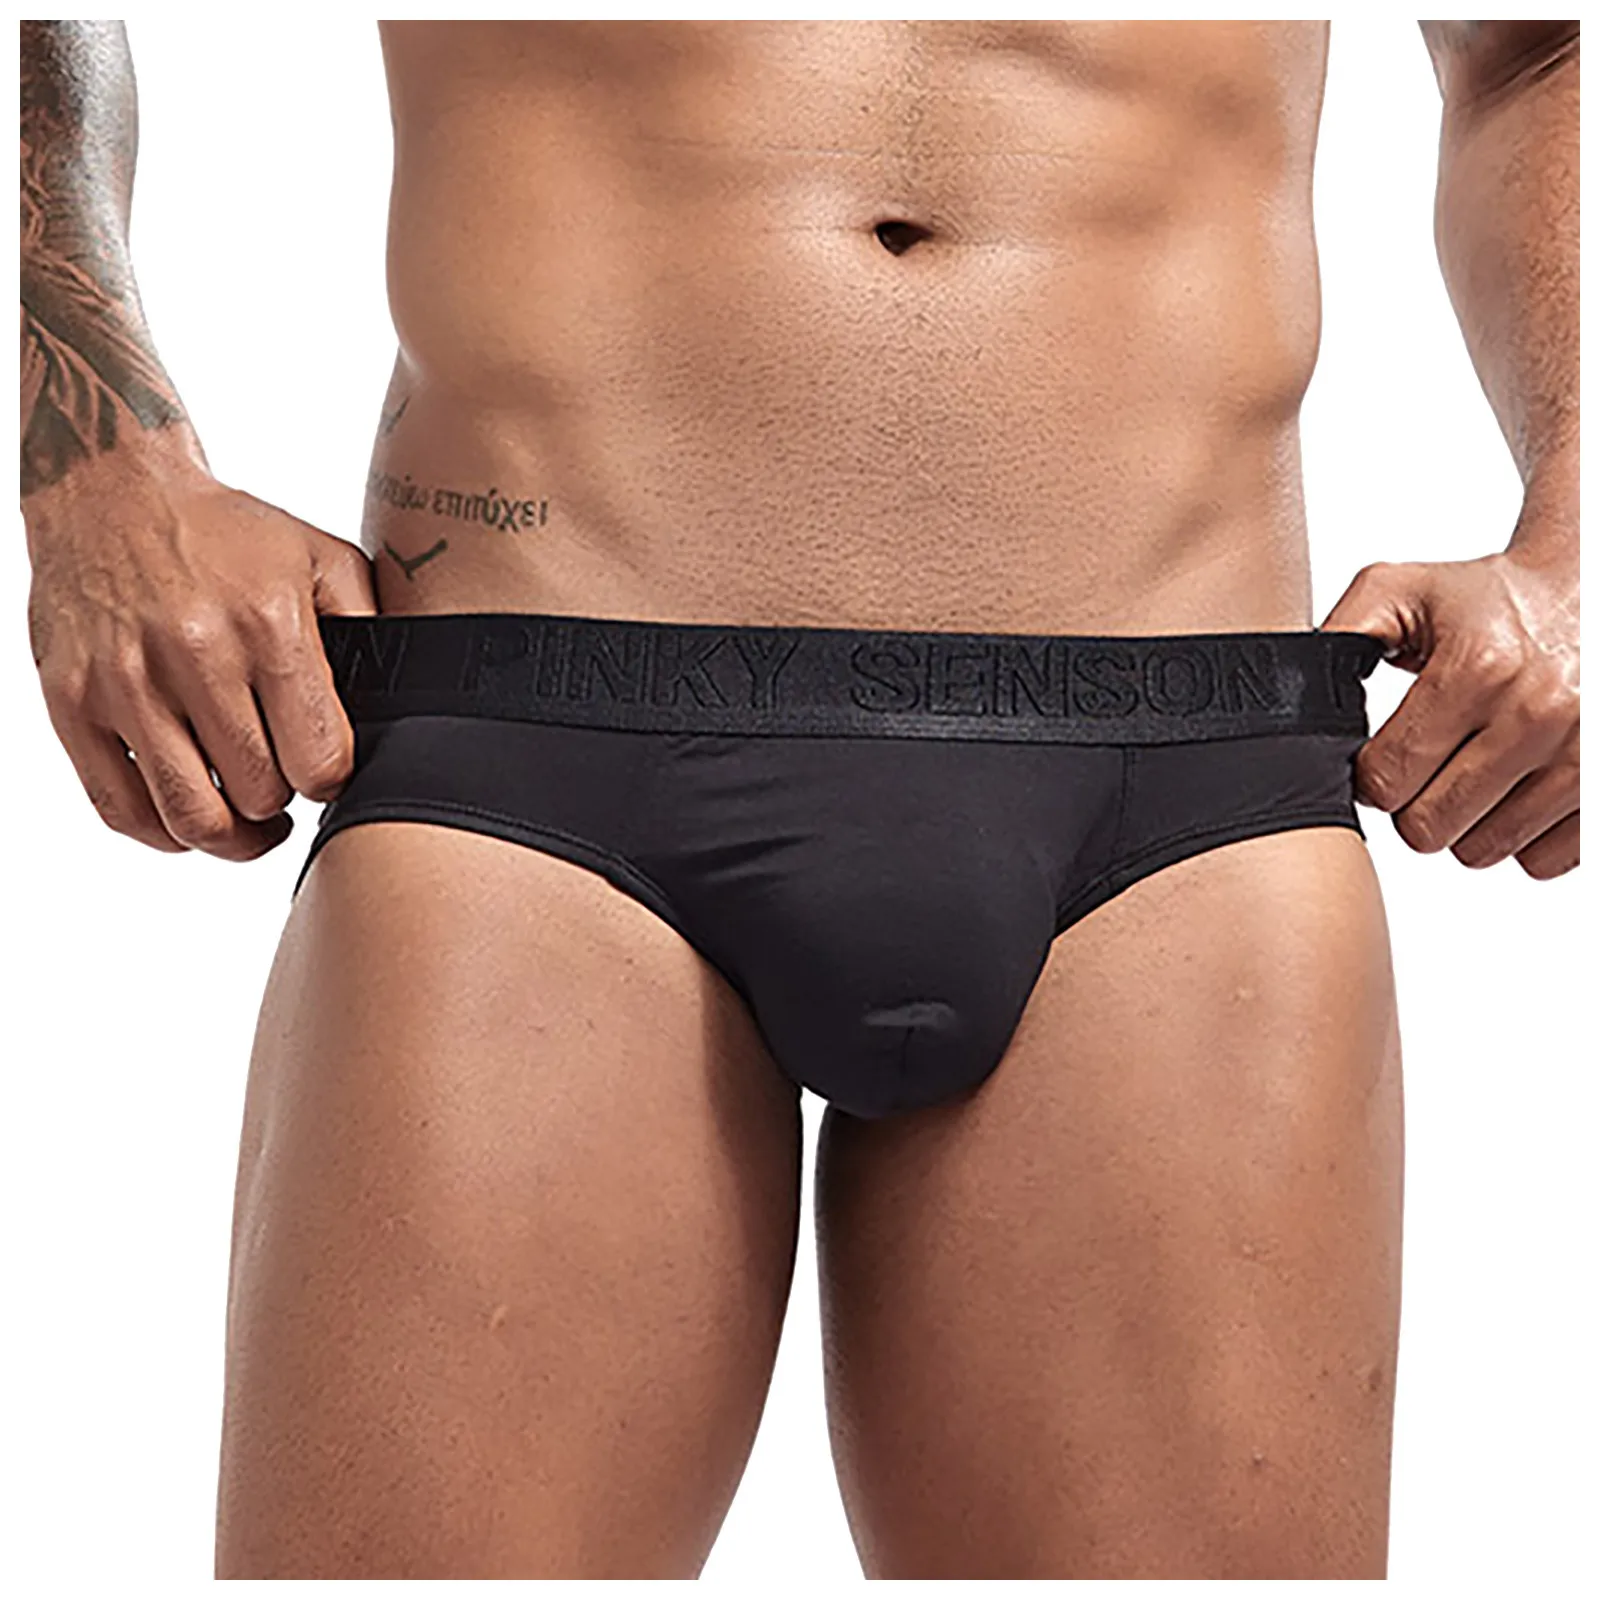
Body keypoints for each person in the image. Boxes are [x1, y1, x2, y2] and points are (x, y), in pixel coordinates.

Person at [18, 19, 1578, 1581]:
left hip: (1178, 788)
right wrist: (98, 472)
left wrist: (1580, 530)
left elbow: (1531, 53)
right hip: (540, 759)